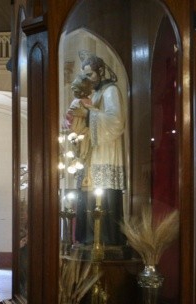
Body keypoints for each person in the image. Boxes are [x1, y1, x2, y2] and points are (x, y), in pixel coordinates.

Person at [68, 50, 127, 246]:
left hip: (106, 151)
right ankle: (88, 237)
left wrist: (87, 114)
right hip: (92, 152)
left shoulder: (111, 91)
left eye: (91, 74)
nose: (89, 80)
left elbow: (116, 122)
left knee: (103, 196)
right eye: (85, 76)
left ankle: (106, 238)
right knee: (88, 194)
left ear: (101, 71)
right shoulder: (96, 93)